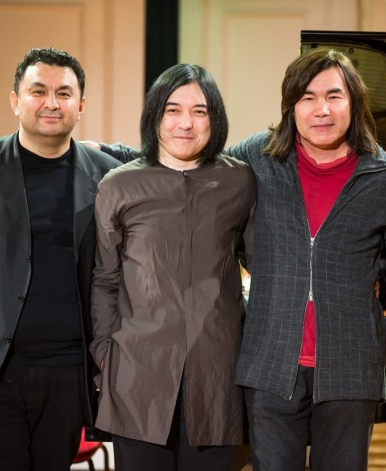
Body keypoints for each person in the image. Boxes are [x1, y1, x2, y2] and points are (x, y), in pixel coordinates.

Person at [94, 48, 386, 470]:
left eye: (333, 96)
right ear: (290, 107)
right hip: (270, 363)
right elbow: (186, 157)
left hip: (350, 364)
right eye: (307, 97)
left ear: (354, 102)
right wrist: (105, 151)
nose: (321, 109)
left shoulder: (385, 174)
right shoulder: (260, 158)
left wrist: (371, 292)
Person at [0, 47, 125, 470]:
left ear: (81, 106)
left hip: (68, 374)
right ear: (15, 100)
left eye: (64, 94)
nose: (52, 102)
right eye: (38, 91)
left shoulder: (108, 173)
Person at [89, 63, 255, 471]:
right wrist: (106, 356)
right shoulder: (119, 185)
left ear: (215, 119)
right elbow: (105, 280)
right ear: (155, 116)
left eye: (200, 111)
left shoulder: (239, 182)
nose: (186, 123)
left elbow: (263, 266)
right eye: (173, 110)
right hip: (136, 375)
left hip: (216, 374)